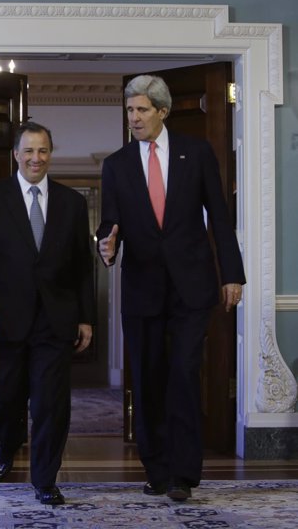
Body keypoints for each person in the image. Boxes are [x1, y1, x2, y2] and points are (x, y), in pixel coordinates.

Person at [96, 74, 246, 502]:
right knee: (147, 380)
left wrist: (231, 274)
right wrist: (106, 247)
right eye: (129, 110)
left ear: (162, 111)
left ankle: (183, 474)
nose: (134, 117)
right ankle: (156, 470)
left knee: (183, 373)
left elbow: (219, 216)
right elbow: (110, 226)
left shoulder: (196, 154)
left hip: (192, 287)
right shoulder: (116, 164)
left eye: (142, 109)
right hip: (142, 289)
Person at [0, 121, 95, 505]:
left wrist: (85, 317)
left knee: (51, 405)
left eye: (42, 151)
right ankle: (7, 444)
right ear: (15, 154)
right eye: (28, 151)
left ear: (50, 154)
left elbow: (81, 267)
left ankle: (44, 480)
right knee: (4, 399)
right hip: (3, 321)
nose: (35, 158)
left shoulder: (72, 203)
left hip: (55, 322)